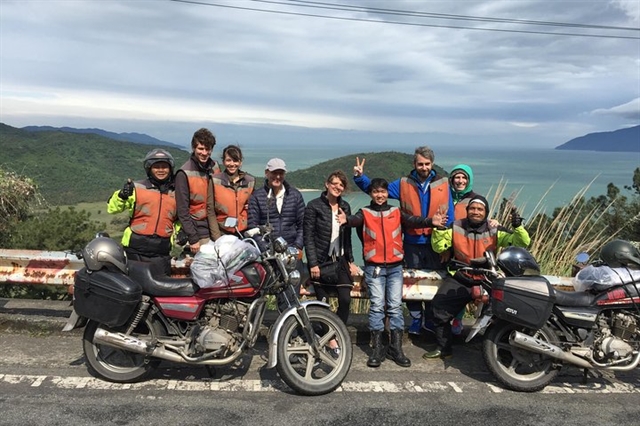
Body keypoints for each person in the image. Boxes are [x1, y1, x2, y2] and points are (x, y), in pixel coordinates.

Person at [338, 178, 443, 368]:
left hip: (395, 267)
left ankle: (396, 348)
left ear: (388, 193)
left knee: (395, 307)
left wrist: (431, 221)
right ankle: (377, 349)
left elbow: (413, 221)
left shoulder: (396, 211)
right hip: (374, 267)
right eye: (376, 192)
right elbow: (355, 221)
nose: (380, 195)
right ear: (371, 194)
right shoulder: (365, 212)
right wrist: (346, 220)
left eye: (383, 192)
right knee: (377, 306)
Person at [353, 147, 454, 335]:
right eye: (420, 164)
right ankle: (416, 320)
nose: (423, 167)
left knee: (436, 283)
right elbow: (377, 191)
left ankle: (431, 321)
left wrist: (448, 247)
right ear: (414, 164)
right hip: (411, 242)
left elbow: (452, 216)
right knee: (412, 282)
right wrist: (360, 177)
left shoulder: (443, 183)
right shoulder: (403, 183)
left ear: (432, 164)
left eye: (427, 164)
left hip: (435, 243)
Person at [422, 195, 530, 359]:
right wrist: (439, 228)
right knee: (439, 308)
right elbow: (439, 247)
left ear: (486, 212)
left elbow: (521, 242)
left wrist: (517, 226)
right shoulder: (456, 226)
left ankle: (503, 350)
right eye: (472, 208)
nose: (475, 212)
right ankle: (444, 348)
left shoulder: (494, 229)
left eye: (480, 209)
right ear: (467, 211)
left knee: (505, 312)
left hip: (487, 278)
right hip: (461, 275)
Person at [304, 171, 359, 358]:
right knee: (323, 304)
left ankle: (332, 334)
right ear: (327, 184)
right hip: (320, 262)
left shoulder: (345, 207)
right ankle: (333, 341)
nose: (338, 187)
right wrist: (313, 264)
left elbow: (348, 237)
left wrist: (351, 260)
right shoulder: (314, 207)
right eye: (334, 183)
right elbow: (308, 237)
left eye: (341, 185)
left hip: (340, 261)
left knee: (345, 299)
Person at [107, 148, 178, 275]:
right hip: (135, 248)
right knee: (134, 286)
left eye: (164, 166)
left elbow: (178, 219)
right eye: (156, 166)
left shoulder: (176, 192)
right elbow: (112, 208)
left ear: (170, 168)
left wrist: (182, 232)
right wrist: (122, 196)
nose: (161, 170)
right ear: (149, 168)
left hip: (161, 250)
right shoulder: (136, 188)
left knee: (160, 287)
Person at [248, 158, 306, 309]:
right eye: (274, 173)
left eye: (280, 173)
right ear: (267, 173)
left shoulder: (295, 195)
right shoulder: (258, 197)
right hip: (269, 258)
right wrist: (267, 249)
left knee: (291, 299)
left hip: (291, 255)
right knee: (260, 297)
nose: (277, 177)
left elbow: (302, 225)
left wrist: (298, 246)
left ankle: (289, 332)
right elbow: (252, 227)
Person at [175, 128, 221, 254]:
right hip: (198, 231)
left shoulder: (215, 167)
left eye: (208, 149)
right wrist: (193, 238)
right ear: (193, 148)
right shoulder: (184, 173)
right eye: (201, 148)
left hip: (216, 228)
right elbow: (182, 210)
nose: (204, 153)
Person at [206, 145, 255, 240]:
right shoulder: (215, 181)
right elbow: (210, 210)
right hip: (222, 232)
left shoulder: (249, 181)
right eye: (228, 160)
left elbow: (253, 206)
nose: (232, 164)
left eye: (235, 160)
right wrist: (217, 237)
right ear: (223, 161)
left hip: (243, 233)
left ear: (240, 162)